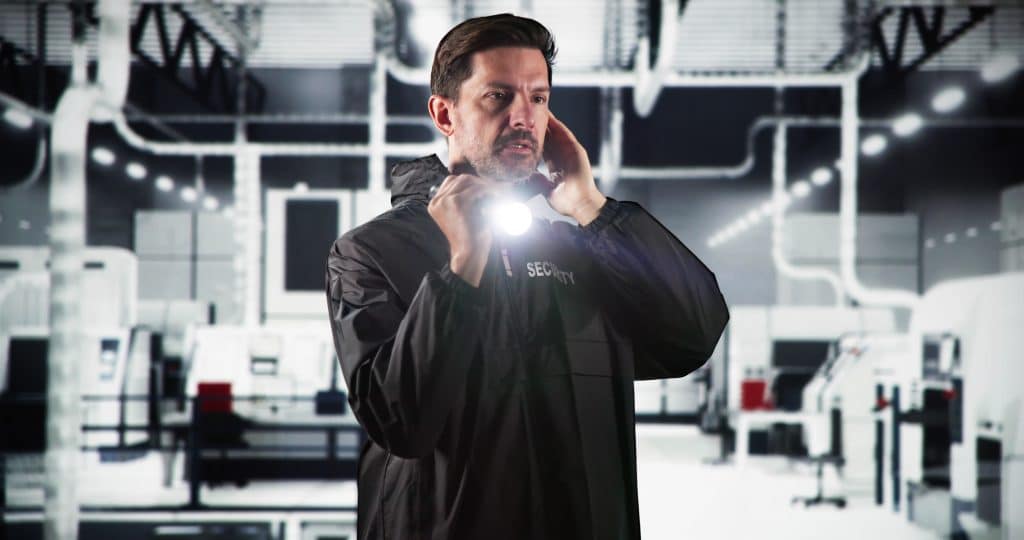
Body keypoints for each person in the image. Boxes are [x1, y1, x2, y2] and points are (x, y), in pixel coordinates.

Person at [326, 13, 729, 540]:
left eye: (538, 98)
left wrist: (591, 206)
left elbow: (693, 335)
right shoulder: (370, 253)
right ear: (445, 114)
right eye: (498, 96)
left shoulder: (580, 253)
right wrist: (461, 267)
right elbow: (402, 422)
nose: (524, 116)